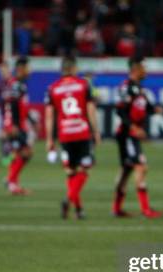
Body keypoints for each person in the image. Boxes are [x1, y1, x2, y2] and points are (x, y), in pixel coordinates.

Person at [45, 55, 100, 219]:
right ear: (74, 68)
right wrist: (96, 131)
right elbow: (90, 109)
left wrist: (49, 139)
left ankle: (79, 210)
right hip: (82, 132)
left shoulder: (53, 88)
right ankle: (69, 200)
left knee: (70, 172)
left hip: (65, 134)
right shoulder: (83, 85)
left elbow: (49, 116)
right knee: (84, 169)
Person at [112, 56, 163, 219]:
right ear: (135, 69)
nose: (146, 70)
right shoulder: (126, 87)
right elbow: (120, 111)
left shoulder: (138, 89)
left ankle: (117, 208)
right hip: (127, 134)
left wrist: (155, 110)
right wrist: (133, 127)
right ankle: (145, 209)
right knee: (141, 167)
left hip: (131, 135)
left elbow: (146, 108)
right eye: (144, 67)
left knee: (127, 170)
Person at [1, 57, 34, 195]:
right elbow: (13, 104)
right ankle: (10, 180)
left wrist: (32, 121)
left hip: (16, 124)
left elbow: (21, 107)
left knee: (20, 154)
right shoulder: (17, 85)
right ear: (21, 69)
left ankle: (13, 184)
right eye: (28, 67)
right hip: (15, 126)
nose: (30, 70)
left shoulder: (17, 84)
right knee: (25, 153)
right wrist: (13, 125)